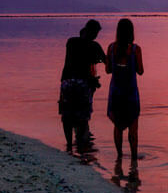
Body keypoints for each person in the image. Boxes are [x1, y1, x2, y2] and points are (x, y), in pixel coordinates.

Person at [59, 19, 106, 151]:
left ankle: (69, 146)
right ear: (93, 32)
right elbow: (106, 61)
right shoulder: (94, 46)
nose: (96, 36)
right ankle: (83, 149)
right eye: (96, 33)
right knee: (83, 117)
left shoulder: (71, 42)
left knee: (67, 115)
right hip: (83, 84)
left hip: (67, 81)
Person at [105, 18, 144, 161]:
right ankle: (134, 158)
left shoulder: (110, 48)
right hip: (131, 93)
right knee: (133, 126)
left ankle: (119, 156)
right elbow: (140, 71)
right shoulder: (135, 49)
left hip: (115, 92)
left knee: (117, 126)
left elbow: (108, 70)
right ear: (131, 32)